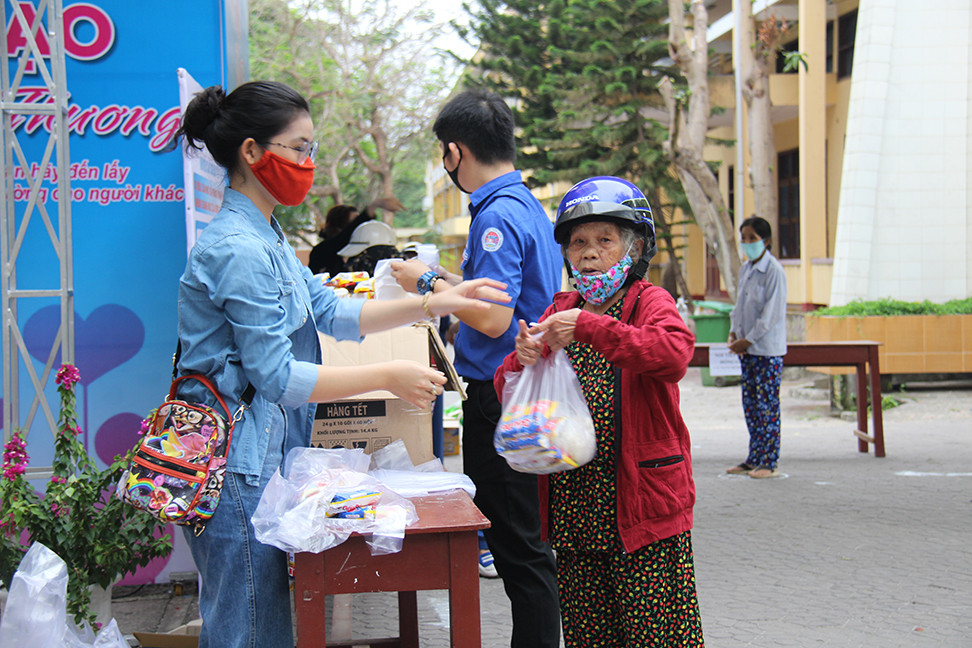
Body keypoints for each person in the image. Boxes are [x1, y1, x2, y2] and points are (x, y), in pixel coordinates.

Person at [174, 80, 510, 648]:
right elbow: (277, 377)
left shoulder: (268, 235)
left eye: (311, 150)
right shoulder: (237, 247)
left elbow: (330, 309)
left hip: (261, 460)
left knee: (261, 624)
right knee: (248, 629)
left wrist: (437, 300)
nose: (309, 163)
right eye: (299, 148)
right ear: (253, 152)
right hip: (234, 469)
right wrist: (387, 376)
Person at [495, 176, 704, 647]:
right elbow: (510, 385)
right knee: (592, 637)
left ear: (632, 249)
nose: (589, 252)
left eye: (604, 241)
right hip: (574, 510)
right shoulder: (561, 306)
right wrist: (521, 359)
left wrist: (592, 328)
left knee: (657, 637)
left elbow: (674, 354)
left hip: (641, 507)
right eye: (578, 242)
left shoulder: (648, 301)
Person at [391, 89, 562, 647]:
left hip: (503, 393)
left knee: (520, 551)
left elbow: (491, 318)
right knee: (523, 544)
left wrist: (425, 282)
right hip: (521, 388)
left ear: (455, 151)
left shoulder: (497, 217)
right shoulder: (527, 207)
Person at [726, 216, 788, 479]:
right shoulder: (747, 269)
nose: (747, 243)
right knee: (750, 404)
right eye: (744, 238)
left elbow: (771, 314)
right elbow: (740, 306)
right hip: (747, 350)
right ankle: (754, 457)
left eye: (752, 238)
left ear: (766, 240)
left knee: (767, 406)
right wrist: (734, 331)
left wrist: (748, 339)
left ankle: (769, 461)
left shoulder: (774, 270)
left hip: (767, 351)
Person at [308, 197, 403, 276]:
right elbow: (342, 238)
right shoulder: (322, 251)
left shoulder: (364, 253)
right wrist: (372, 207)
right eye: (355, 225)